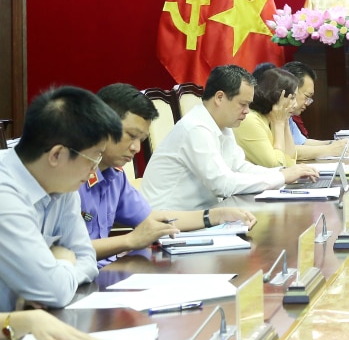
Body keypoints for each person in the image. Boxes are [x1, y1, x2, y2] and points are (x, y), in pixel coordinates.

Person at [81, 84, 256, 266]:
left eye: (140, 140)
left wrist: (216, 216)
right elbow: (65, 253)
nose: (136, 148)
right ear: (102, 125)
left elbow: (154, 218)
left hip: (103, 270)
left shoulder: (115, 176)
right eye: (130, 136)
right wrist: (129, 240)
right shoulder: (70, 179)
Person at [0, 87, 119, 311]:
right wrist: (63, 261)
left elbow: (87, 259)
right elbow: (53, 291)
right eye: (92, 159)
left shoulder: (62, 185)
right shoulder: (5, 195)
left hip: (28, 326)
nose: (94, 170)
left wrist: (54, 272)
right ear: (56, 155)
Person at [141, 65, 320, 210]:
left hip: (204, 216)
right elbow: (223, 184)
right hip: (170, 226)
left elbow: (239, 166)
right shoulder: (196, 129)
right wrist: (282, 177)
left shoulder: (222, 126)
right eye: (242, 104)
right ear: (220, 98)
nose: (247, 111)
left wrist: (283, 173)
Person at [281, 61, 349, 160]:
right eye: (306, 97)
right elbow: (288, 151)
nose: (307, 103)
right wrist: (330, 150)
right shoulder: (274, 114)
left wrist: (334, 144)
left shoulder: (288, 116)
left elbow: (302, 142)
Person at [235, 67, 300, 168]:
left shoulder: (271, 119)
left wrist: (285, 122)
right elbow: (277, 165)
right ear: (277, 96)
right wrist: (278, 124)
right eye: (292, 98)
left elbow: (291, 162)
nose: (295, 105)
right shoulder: (249, 120)